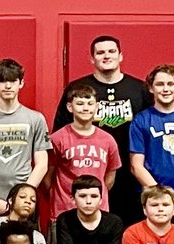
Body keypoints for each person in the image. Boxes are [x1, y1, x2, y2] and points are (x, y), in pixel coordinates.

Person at [54, 35, 152, 226]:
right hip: (90, 179)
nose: (106, 56)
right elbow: (58, 138)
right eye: (100, 52)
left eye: (111, 51)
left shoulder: (139, 89)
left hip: (131, 178)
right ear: (92, 59)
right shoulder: (77, 88)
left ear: (120, 56)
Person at [0, 58, 51, 226]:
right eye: (3, 81)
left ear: (21, 83)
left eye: (13, 81)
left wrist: (22, 197)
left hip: (24, 206)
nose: (8, 86)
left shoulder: (36, 119)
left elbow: (42, 164)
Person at [46, 84, 120, 226]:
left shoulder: (108, 140)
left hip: (98, 213)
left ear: (96, 107)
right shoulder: (57, 138)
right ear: (70, 107)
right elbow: (48, 176)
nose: (85, 108)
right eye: (79, 104)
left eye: (90, 104)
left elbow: (109, 178)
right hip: (64, 211)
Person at [130, 64, 174, 229]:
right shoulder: (141, 121)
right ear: (151, 88)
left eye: (170, 84)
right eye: (160, 84)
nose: (165, 89)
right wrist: (165, 199)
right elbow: (136, 166)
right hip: (153, 201)